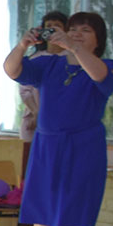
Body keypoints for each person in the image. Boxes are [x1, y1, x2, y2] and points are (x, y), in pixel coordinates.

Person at [5, 11, 113, 226]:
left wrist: (73, 47)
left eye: (86, 31)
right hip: (46, 146)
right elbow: (12, 70)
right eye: (73, 29)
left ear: (98, 40)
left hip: (82, 148)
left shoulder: (106, 66)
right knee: (42, 222)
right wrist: (22, 45)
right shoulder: (49, 65)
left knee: (70, 223)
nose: (78, 34)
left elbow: (99, 76)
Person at [18, 12, 67, 145]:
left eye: (57, 26)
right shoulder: (35, 59)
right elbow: (25, 91)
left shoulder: (72, 58)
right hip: (34, 120)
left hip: (62, 121)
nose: (52, 29)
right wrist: (36, 112)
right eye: (48, 26)